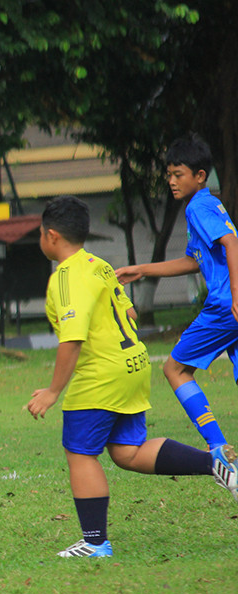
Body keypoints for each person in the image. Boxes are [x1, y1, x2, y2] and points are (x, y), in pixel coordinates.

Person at [26, 195, 238, 558]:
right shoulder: (100, 266)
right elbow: (132, 314)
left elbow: (72, 338)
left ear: (51, 236)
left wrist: (52, 390)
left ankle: (94, 542)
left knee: (80, 454)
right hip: (133, 366)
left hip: (102, 376)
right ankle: (216, 465)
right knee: (127, 451)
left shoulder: (65, 278)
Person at [116, 135, 238, 471]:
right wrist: (141, 269)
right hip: (231, 305)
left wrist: (235, 297)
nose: (171, 181)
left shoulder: (198, 205)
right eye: (168, 174)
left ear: (199, 176)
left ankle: (219, 450)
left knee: (174, 368)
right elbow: (194, 261)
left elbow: (231, 242)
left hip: (225, 306)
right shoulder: (207, 204)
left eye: (178, 174)